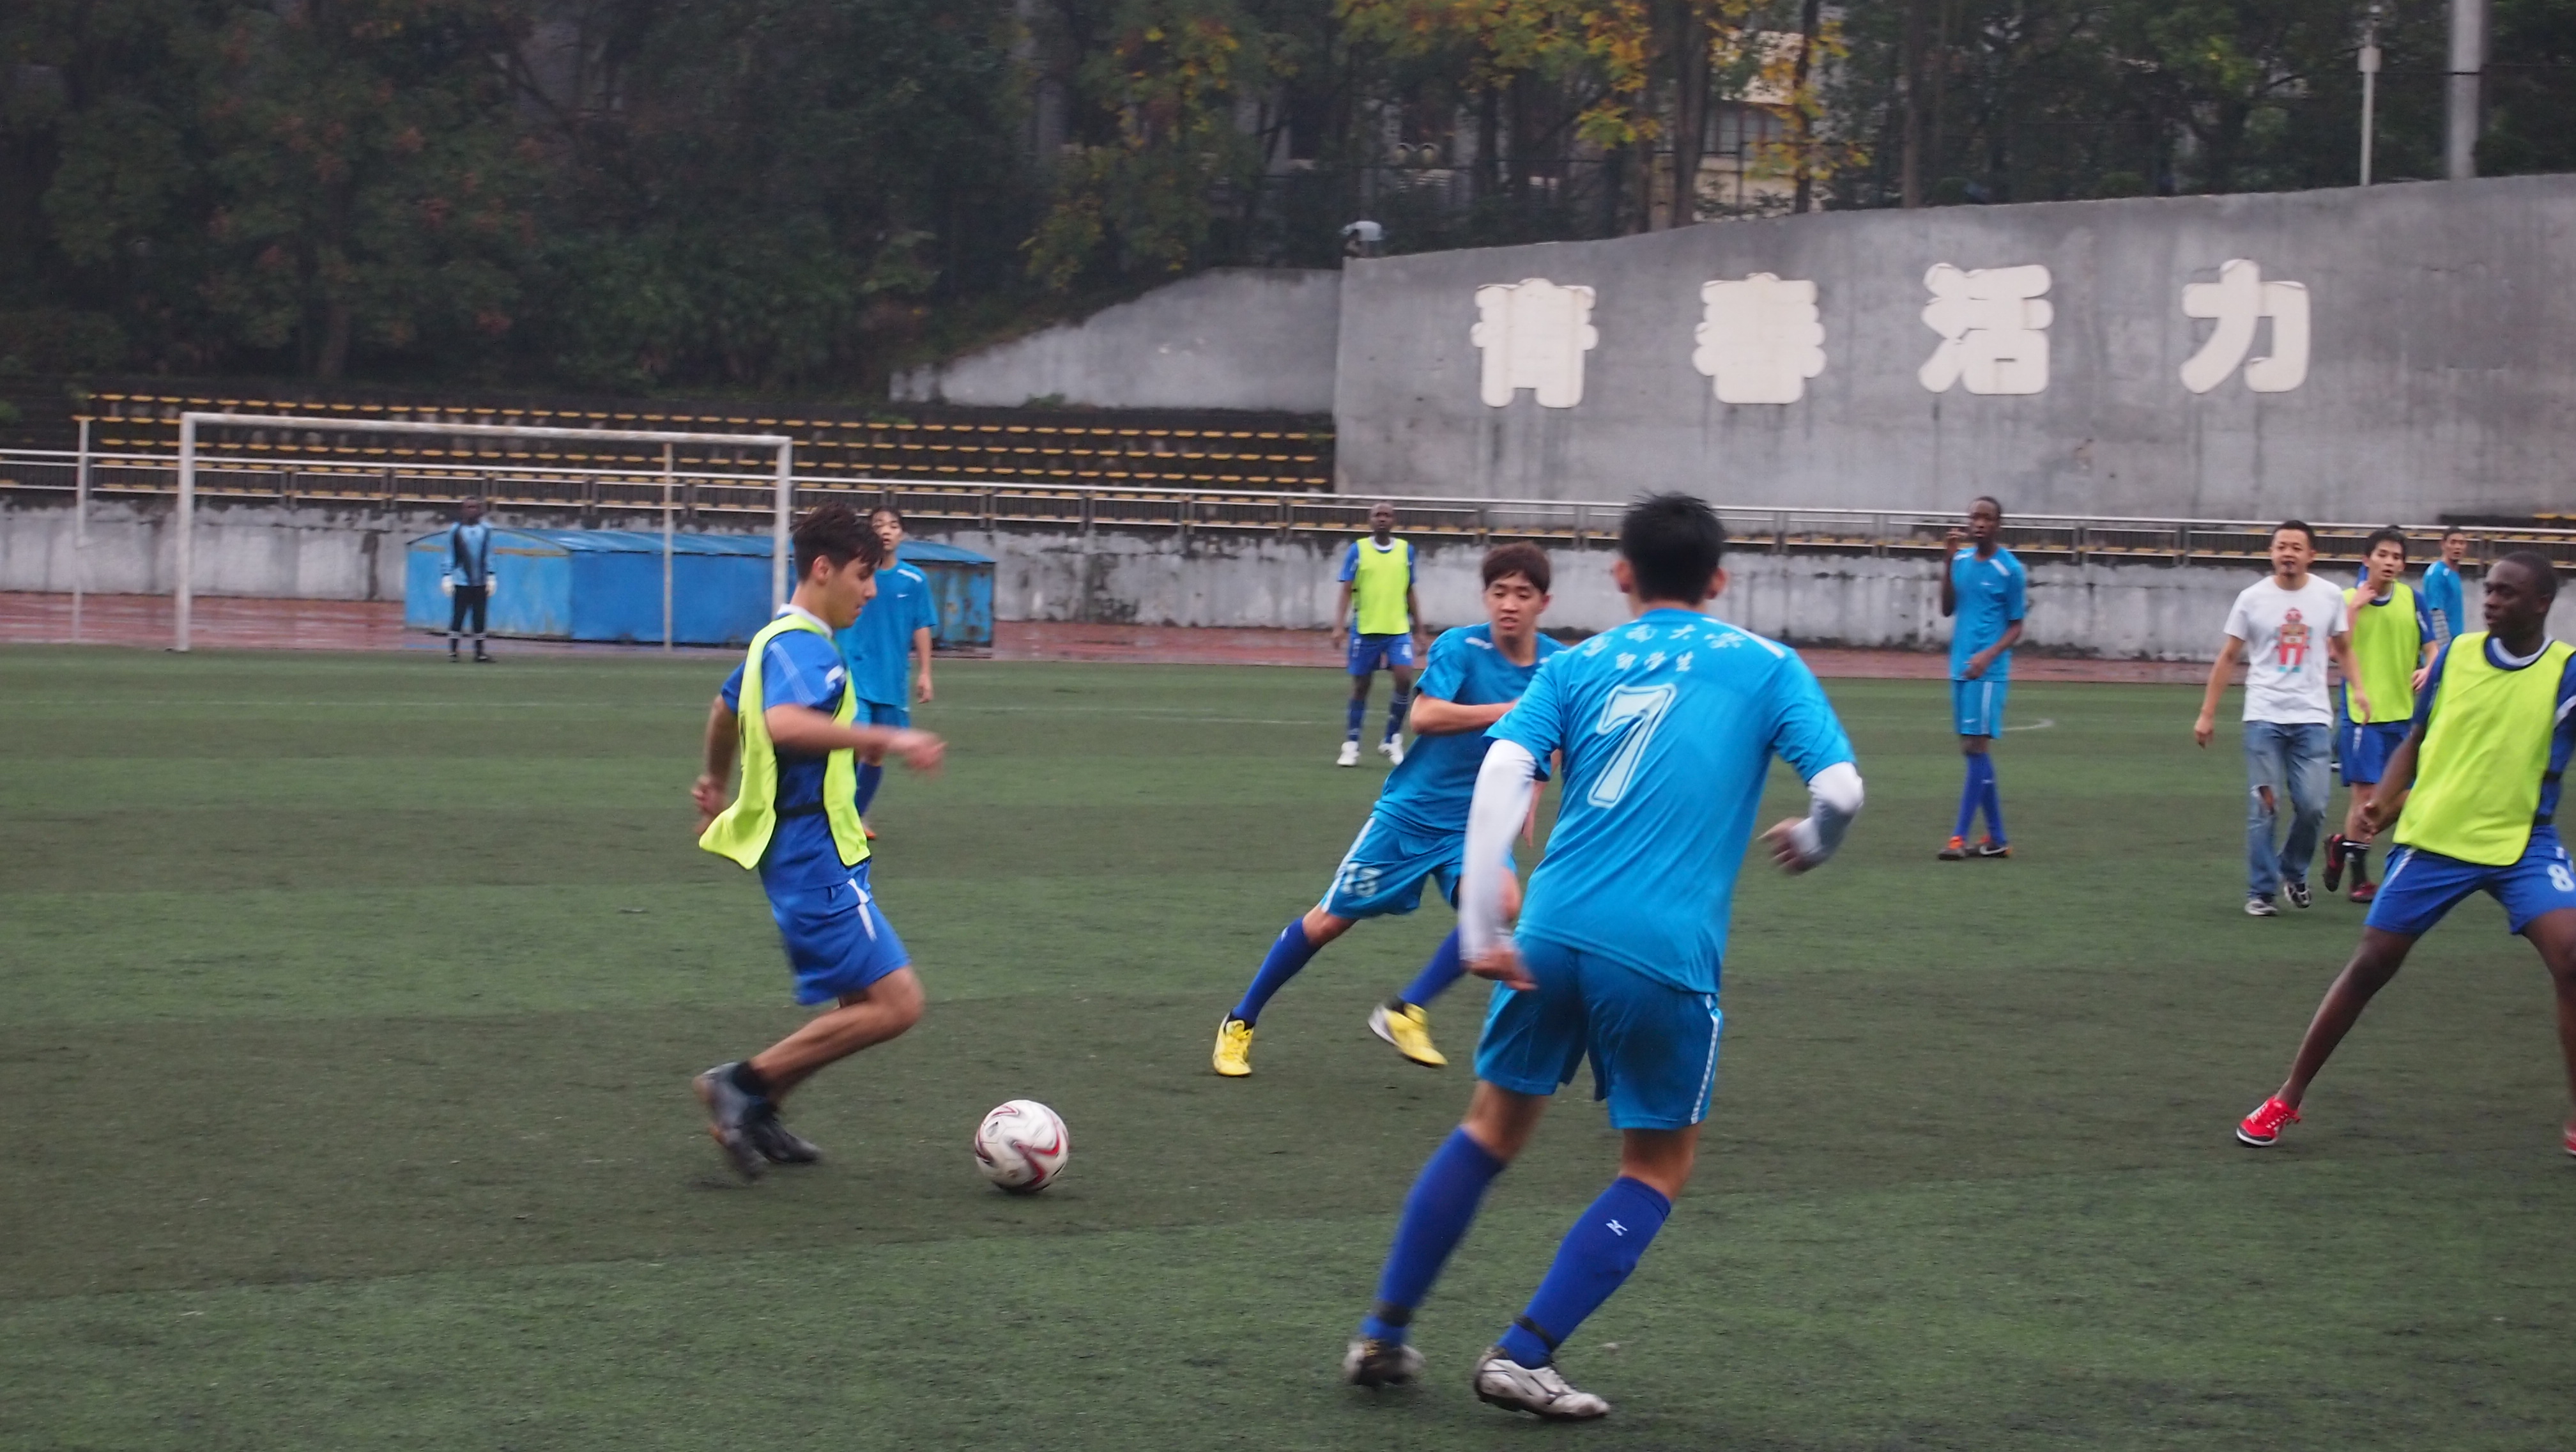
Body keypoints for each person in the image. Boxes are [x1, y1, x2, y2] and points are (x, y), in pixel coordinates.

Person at [1340, 494, 1864, 1420]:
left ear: (1621, 574)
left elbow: (1504, 768)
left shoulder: (1576, 663)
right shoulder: (1769, 665)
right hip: (1662, 951)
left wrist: (1481, 927)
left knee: (1489, 1130)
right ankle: (1524, 1352)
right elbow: (1843, 789)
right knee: (1655, 1166)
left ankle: (1383, 1331)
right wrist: (1815, 841)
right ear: (1719, 579)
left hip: (1548, 931)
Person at [2235, 552, 2576, 1156]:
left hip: (2523, 843)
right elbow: (2416, 739)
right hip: (2436, 840)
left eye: (2507, 592)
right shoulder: (2457, 656)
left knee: (2572, 957)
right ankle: (2287, 1097)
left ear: (2542, 603)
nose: (2491, 600)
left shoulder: (2566, 673)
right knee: (2371, 963)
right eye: (2489, 590)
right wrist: (2381, 803)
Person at [1215, 544, 1564, 1078]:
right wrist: (1510, 712)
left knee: (1501, 902)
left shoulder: (1557, 665)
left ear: (1544, 602)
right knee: (1328, 923)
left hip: (1474, 824)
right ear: (1485, 597)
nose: (1509, 604)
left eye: (1522, 594)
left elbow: (1556, 731)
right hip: (1410, 816)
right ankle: (1240, 1021)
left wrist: (1535, 785)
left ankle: (1406, 1010)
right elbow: (1423, 716)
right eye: (1499, 592)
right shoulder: (1460, 647)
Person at [687, 503, 946, 1180]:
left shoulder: (772, 640)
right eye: (863, 575)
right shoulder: (803, 645)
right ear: (824, 569)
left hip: (814, 847)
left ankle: (761, 1108)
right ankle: (742, 1083)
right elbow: (782, 724)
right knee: (899, 1004)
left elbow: (724, 710)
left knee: (860, 1004)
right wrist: (887, 736)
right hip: (811, 854)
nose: (871, 590)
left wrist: (713, 780)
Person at [2195, 521, 2367, 918]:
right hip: (2264, 716)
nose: (2288, 553)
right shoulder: (2252, 599)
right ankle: (2261, 891)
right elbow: (2229, 656)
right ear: (2271, 552)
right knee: (2264, 805)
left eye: (2296, 547)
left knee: (2313, 805)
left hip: (2312, 716)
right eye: (2281, 546)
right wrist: (2207, 713)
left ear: (2311, 555)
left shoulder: (2328, 596)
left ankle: (2293, 869)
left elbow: (2343, 649)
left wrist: (2359, 690)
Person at [2324, 529, 2439, 904]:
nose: (2390, 562)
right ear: (2367, 559)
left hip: (2405, 717)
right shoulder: (2345, 600)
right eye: (2383, 555)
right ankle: (2359, 879)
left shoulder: (2413, 600)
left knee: (2410, 795)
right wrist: (2355, 608)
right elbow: (2334, 651)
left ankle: (2343, 845)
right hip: (2363, 716)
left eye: (2397, 557)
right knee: (2366, 797)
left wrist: (2429, 668)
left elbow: (2432, 648)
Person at [832, 506, 938, 833]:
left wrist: (925, 673)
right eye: (879, 524)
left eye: (893, 525)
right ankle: (837, 815)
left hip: (891, 678)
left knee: (876, 752)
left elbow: (922, 625)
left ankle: (855, 815)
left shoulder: (914, 580)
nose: (886, 530)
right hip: (855, 673)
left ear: (902, 534)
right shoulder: (854, 573)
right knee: (854, 741)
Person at [1937, 495, 2027, 860]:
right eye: (1975, 517)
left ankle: (1958, 838)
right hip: (1960, 667)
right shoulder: (1960, 561)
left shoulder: (2010, 570)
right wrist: (1947, 562)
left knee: (1976, 747)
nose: (1980, 523)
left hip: (1989, 673)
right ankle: (1998, 838)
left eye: (1987, 518)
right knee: (1972, 749)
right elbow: (1947, 609)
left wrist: (1989, 655)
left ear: (1998, 525)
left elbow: (2017, 625)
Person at [1334, 502, 1427, 768]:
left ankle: (1392, 738)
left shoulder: (1406, 551)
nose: (1382, 519)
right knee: (1361, 686)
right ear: (1370, 520)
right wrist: (1339, 626)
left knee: (1404, 678)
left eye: (1387, 515)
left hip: (1398, 629)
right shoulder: (1358, 550)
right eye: (1378, 515)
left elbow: (1410, 590)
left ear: (1394, 520)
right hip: (1366, 629)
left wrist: (1420, 629)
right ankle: (1352, 744)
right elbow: (1346, 590)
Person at [442, 497, 498, 662]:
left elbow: (489, 553)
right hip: (461, 580)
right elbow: (449, 554)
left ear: (480, 510)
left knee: (479, 617)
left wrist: (491, 575)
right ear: (462, 510)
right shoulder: (456, 530)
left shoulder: (486, 529)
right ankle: (453, 651)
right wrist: (447, 575)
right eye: (469, 507)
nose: (472, 510)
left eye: (475, 507)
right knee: (458, 615)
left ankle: (479, 652)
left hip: (480, 581)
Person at [2423, 529, 2472, 645]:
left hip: (2456, 643)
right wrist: (2445, 649)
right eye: (2453, 542)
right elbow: (2436, 614)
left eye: (2461, 543)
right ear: (2443, 545)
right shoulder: (2437, 573)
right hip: (2443, 647)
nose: (2457, 547)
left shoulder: (2452, 573)